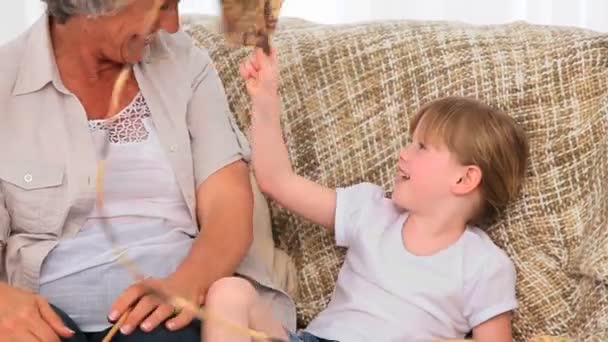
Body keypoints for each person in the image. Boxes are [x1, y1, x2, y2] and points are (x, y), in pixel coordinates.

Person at [0, 1, 295, 341]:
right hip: (47, 318)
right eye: (163, 6)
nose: (172, 25)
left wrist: (187, 284)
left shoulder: (184, 63)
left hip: (165, 317)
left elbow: (227, 205)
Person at [201, 48, 530, 342]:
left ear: (464, 178)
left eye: (421, 147)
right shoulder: (371, 211)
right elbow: (276, 180)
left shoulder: (485, 265)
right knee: (230, 293)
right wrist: (265, 101)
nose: (403, 153)